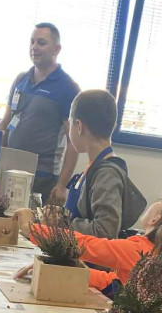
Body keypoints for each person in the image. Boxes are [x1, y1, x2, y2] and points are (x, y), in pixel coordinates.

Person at [16, 190, 162, 293]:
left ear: (156, 219)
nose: (156, 201)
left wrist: (30, 228)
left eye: (161, 201)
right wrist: (68, 273)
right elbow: (117, 283)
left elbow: (85, 244)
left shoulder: (140, 251)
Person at [0, 22, 80, 205]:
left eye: (41, 43)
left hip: (42, 177)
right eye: (32, 42)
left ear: (56, 49)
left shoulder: (68, 87)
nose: (34, 47)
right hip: (9, 171)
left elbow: (73, 142)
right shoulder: (21, 80)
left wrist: (62, 185)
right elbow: (5, 123)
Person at [62, 89, 146, 238]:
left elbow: (105, 231)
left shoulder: (107, 174)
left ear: (79, 126)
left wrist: (61, 223)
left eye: (70, 125)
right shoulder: (93, 167)